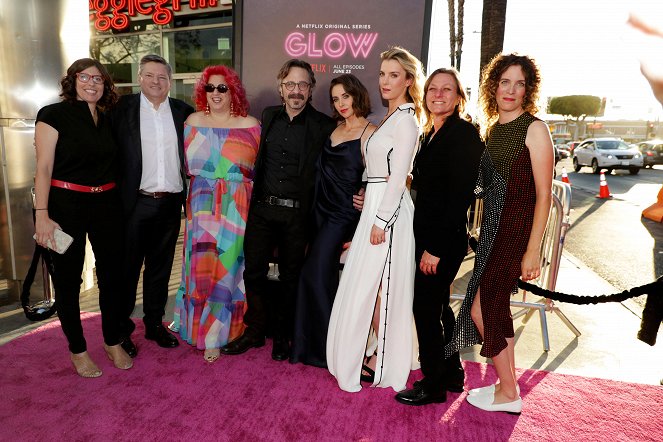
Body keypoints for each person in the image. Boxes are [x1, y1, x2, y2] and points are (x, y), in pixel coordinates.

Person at [447, 53, 553, 415]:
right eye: (504, 82)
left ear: (528, 89)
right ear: (493, 86)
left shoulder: (534, 128)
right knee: (492, 308)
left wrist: (533, 249)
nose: (511, 89)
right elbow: (483, 185)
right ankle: (507, 387)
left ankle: (509, 391)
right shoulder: (493, 129)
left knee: (482, 308)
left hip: (516, 232)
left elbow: (544, 195)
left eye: (519, 83)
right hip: (492, 231)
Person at [220, 59, 338, 361]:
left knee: (290, 279)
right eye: (290, 84)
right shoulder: (269, 116)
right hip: (262, 211)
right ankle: (256, 330)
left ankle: (284, 335)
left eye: (302, 85)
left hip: (297, 216)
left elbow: (338, 167)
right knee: (254, 272)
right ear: (280, 87)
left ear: (310, 89)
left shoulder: (324, 125)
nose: (295, 90)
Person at [327, 46, 424, 393]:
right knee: (375, 285)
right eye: (382, 74)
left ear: (409, 81)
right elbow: (379, 173)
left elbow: (399, 178)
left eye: (394, 75)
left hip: (391, 215)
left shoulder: (408, 121)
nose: (385, 81)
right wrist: (367, 196)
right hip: (376, 206)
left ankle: (382, 363)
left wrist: (380, 221)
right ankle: (374, 351)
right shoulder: (390, 118)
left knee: (385, 288)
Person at [34, 58, 132, 377]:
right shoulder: (51, 115)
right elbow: (44, 169)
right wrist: (42, 216)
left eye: (99, 79)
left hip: (106, 205)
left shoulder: (106, 118)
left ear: (105, 85)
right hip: (65, 206)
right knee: (68, 278)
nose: (92, 83)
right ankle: (78, 349)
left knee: (112, 276)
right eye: (85, 77)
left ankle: (112, 340)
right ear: (72, 80)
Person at [395, 68, 484, 405]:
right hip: (430, 237)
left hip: (441, 242)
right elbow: (428, 185)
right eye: (433, 88)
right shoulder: (432, 133)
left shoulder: (462, 135)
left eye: (447, 89)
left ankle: (431, 384)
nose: (438, 94)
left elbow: (459, 197)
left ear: (459, 97)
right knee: (440, 307)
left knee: (427, 310)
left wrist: (433, 248)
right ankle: (451, 372)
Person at [170, 65, 260, 362]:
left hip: (236, 210)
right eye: (210, 88)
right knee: (200, 270)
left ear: (233, 90)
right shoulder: (191, 122)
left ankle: (221, 334)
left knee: (229, 271)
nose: (216, 93)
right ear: (202, 92)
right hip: (201, 207)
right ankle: (197, 329)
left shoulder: (251, 125)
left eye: (222, 88)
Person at [111, 55, 194, 356]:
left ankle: (154, 324)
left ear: (170, 81)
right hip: (134, 203)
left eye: (162, 77)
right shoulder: (121, 110)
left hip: (170, 204)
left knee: (160, 269)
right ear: (140, 78)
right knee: (128, 269)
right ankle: (121, 329)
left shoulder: (184, 113)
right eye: (150, 75)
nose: (156, 81)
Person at [290, 74, 375, 368]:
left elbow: (380, 177)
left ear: (357, 95)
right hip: (319, 210)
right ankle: (310, 348)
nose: (341, 104)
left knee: (312, 274)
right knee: (322, 277)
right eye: (336, 99)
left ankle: (334, 348)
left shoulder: (370, 133)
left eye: (346, 97)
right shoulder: (334, 128)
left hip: (342, 214)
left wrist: (365, 192)